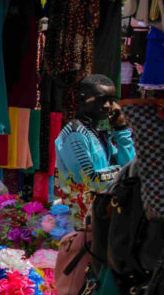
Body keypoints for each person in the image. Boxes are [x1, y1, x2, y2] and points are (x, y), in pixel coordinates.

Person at [54, 74, 136, 225]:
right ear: (82, 99)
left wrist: (121, 128)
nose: (107, 106)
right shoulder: (75, 133)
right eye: (101, 99)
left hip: (99, 213)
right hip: (79, 221)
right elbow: (88, 179)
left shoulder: (99, 133)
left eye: (111, 100)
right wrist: (121, 173)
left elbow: (128, 165)